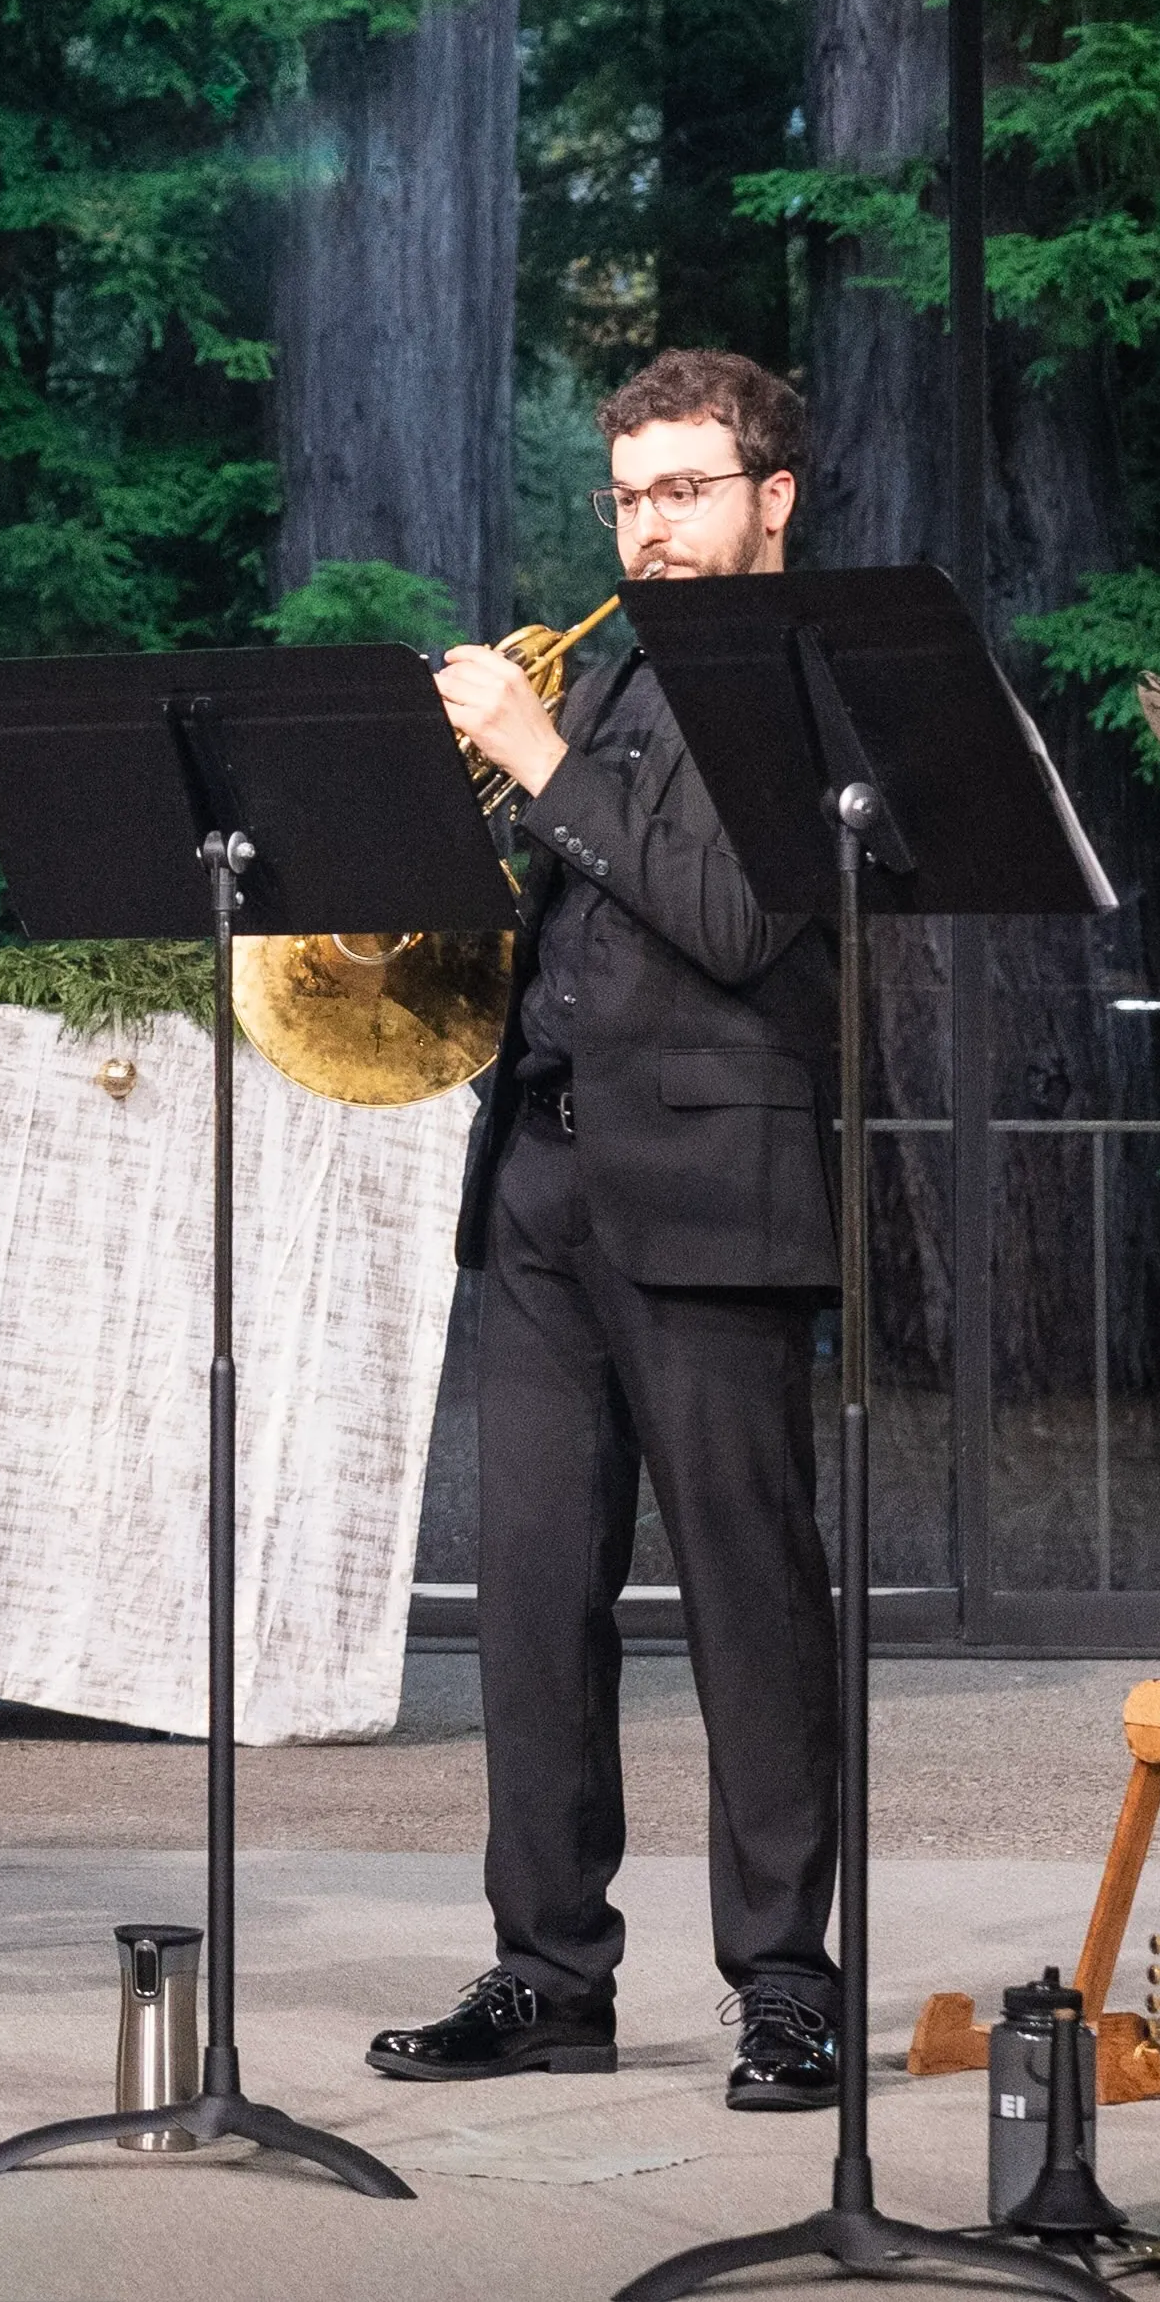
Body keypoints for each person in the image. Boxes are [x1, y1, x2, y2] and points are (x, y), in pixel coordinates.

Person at [367, 348, 850, 2112]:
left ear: (771, 498)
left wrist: (535, 753)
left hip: (719, 1184)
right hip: (547, 1177)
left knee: (750, 1599)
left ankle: (785, 1980)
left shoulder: (808, 673)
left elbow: (731, 918)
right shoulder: (633, 657)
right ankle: (550, 1971)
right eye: (630, 493)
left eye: (686, 490)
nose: (649, 524)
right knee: (534, 1603)